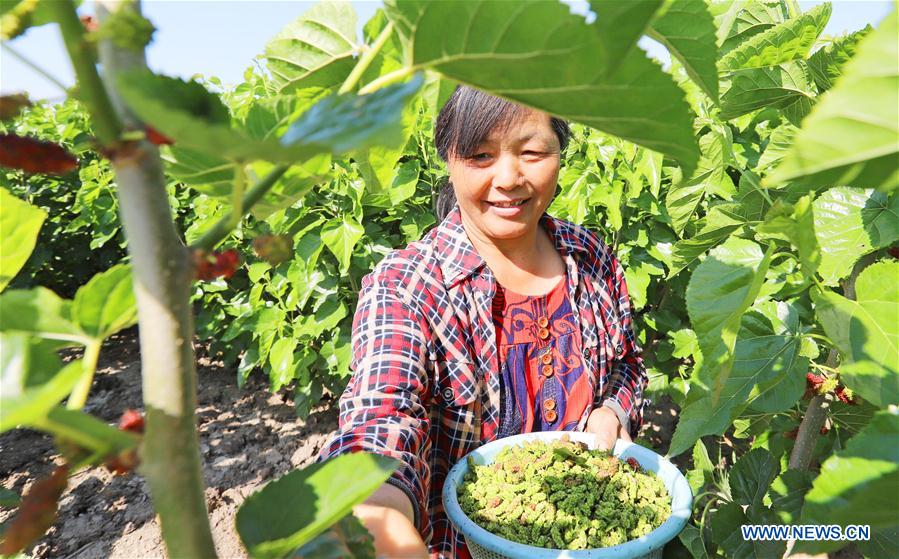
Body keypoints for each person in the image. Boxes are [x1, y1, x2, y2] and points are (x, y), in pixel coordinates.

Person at [316, 85, 648, 559]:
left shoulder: (588, 257)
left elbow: (627, 364)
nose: (509, 178)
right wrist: (375, 514)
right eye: (480, 155)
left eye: (532, 152)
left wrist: (612, 411)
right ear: (448, 160)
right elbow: (382, 419)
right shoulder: (407, 288)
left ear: (560, 152)